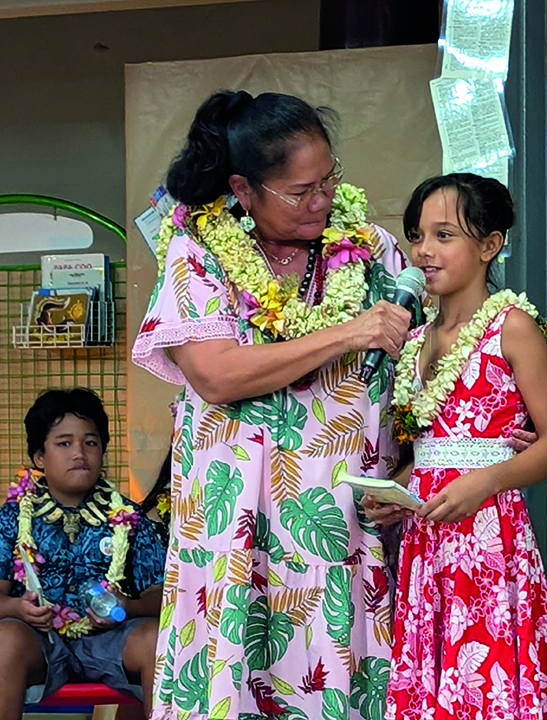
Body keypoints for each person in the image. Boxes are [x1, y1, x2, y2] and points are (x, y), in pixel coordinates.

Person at [132, 90, 415, 720]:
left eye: (328, 180)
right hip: (235, 520)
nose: (320, 201)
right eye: (299, 191)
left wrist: (413, 467)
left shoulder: (370, 248)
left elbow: (423, 367)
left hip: (340, 520)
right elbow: (216, 375)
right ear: (245, 187)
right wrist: (348, 332)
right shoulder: (198, 252)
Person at [378, 174, 547, 719]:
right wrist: (396, 491)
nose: (423, 251)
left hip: (489, 536)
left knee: (487, 684)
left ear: (489, 245)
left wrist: (486, 480)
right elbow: (428, 452)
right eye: (417, 236)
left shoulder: (514, 328)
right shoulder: (413, 341)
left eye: (444, 235)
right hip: (426, 535)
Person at [0, 388, 166, 720]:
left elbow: (163, 595)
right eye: (64, 443)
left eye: (90, 442)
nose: (80, 452)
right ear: (39, 457)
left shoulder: (132, 517)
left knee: (154, 639)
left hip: (113, 638)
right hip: (38, 641)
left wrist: (127, 606)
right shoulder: (11, 518)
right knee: (5, 639)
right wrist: (17, 608)